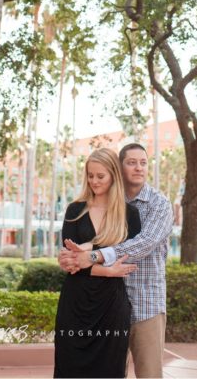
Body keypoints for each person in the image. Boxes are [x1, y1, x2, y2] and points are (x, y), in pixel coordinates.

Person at [60, 143, 173, 378]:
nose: (139, 168)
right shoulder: (108, 202)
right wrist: (78, 254)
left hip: (145, 301)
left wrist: (92, 254)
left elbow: (144, 243)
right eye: (131, 162)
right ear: (119, 168)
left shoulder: (159, 204)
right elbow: (82, 250)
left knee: (149, 373)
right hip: (109, 301)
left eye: (143, 162)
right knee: (109, 371)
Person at [54, 147, 139, 378]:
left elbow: (128, 257)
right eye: (90, 176)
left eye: (100, 176)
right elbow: (72, 264)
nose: (94, 181)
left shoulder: (129, 215)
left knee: (109, 369)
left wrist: (89, 254)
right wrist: (107, 271)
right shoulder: (75, 210)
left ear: (113, 175)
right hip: (76, 303)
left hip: (111, 306)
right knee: (70, 367)